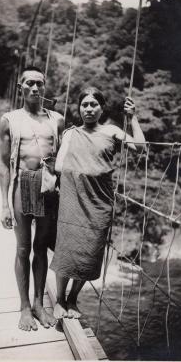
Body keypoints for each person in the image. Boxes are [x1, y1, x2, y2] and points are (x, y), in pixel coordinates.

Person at [50, 87, 145, 319]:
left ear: (101, 108)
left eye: (94, 104)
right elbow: (59, 166)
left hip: (99, 202)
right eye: (85, 105)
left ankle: (73, 299)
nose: (89, 109)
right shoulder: (71, 133)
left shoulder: (111, 131)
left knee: (91, 251)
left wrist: (132, 119)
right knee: (66, 248)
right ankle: (60, 300)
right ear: (79, 108)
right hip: (72, 198)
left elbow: (141, 148)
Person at [0, 66, 64, 331]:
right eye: (29, 84)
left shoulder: (57, 120)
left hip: (48, 185)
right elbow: (4, 165)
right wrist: (4, 204)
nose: (35, 88)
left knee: (40, 247)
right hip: (22, 183)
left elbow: (66, 156)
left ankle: (39, 303)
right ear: (20, 88)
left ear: (44, 86)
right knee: (23, 248)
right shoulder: (9, 120)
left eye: (39, 83)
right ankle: (24, 307)